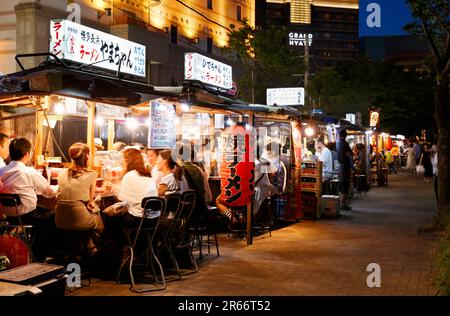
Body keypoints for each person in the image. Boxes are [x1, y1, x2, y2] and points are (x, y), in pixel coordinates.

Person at [0, 137, 57, 260]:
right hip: (28, 216)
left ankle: (32, 252)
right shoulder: (28, 172)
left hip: (9, 217)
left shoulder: (1, 171)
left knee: (43, 211)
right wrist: (60, 187)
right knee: (55, 216)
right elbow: (49, 193)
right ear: (27, 154)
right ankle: (39, 255)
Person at [55, 143, 104, 253]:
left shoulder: (61, 173)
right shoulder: (92, 174)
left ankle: (89, 245)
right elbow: (90, 201)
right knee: (97, 213)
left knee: (84, 213)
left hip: (60, 220)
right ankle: (96, 247)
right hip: (80, 220)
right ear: (87, 156)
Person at [109, 148, 157, 225]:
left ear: (129, 161)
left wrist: (112, 186)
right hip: (154, 219)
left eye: (123, 159)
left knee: (110, 218)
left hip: (139, 220)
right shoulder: (148, 175)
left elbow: (121, 198)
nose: (121, 162)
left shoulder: (129, 175)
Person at [336, 130, 352, 210]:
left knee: (341, 184)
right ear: (345, 136)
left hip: (339, 167)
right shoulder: (345, 144)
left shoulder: (337, 144)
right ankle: (343, 204)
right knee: (345, 185)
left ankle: (340, 202)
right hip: (345, 167)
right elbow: (349, 154)